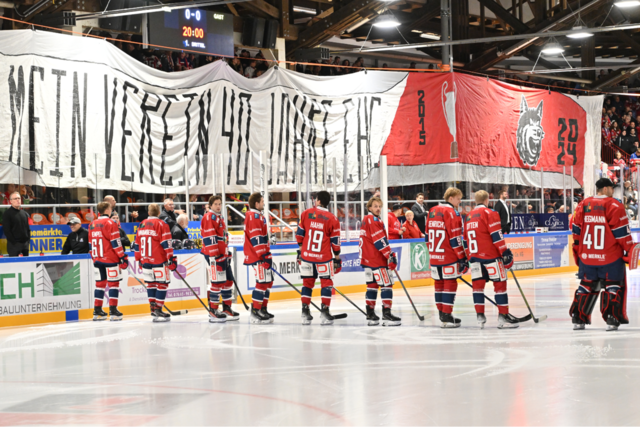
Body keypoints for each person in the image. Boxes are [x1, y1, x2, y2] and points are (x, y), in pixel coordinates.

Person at [570, 178, 639, 331]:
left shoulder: (583, 204)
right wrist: (630, 249)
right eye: (612, 188)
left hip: (587, 257)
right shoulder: (614, 205)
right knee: (613, 286)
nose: (613, 191)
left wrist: (578, 249)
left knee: (586, 285)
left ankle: (578, 318)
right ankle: (611, 318)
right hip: (610, 256)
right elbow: (621, 234)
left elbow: (575, 228)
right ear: (606, 189)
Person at [464, 191, 518, 329]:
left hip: (475, 258)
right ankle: (503, 317)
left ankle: (480, 318)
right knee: (500, 286)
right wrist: (505, 252)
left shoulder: (468, 216)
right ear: (487, 200)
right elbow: (496, 235)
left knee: (477, 289)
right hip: (491, 257)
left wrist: (468, 256)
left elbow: (465, 241)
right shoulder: (490, 213)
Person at [296, 190, 342, 325]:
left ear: (318, 201)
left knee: (307, 284)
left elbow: (299, 235)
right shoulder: (333, 219)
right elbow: (335, 241)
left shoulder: (305, 214)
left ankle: (305, 312)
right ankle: (325, 312)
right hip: (324, 257)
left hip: (307, 256)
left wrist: (301, 250)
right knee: (326, 283)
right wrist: (337, 257)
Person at [425, 187, 468, 328]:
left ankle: (442, 313)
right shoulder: (452, 212)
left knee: (439, 283)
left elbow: (426, 237)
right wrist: (462, 257)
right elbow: (455, 238)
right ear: (451, 198)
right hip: (448, 255)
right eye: (458, 198)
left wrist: (432, 253)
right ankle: (447, 314)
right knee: (450, 283)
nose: (459, 201)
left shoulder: (432, 210)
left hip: (434, 255)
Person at [359, 197, 401, 326]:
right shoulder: (373, 219)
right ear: (370, 207)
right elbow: (379, 241)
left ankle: (370, 314)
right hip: (376, 259)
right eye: (375, 206)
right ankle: (386, 314)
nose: (378, 208)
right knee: (386, 285)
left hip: (367, 259)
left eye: (379, 206)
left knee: (372, 286)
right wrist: (390, 255)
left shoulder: (366, 219)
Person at [132, 203, 177, 322]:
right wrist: (171, 258)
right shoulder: (162, 224)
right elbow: (166, 243)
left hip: (145, 259)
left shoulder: (141, 224)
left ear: (148, 213)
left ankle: (153, 308)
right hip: (159, 260)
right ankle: (158, 309)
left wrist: (138, 259)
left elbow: (136, 244)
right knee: (162, 284)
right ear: (158, 213)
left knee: (151, 284)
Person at [201, 195, 238, 322]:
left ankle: (226, 308)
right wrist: (215, 255)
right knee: (217, 282)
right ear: (210, 205)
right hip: (214, 255)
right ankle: (213, 310)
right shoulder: (209, 217)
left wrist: (226, 253)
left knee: (228, 280)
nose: (218, 206)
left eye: (220, 203)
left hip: (222, 254)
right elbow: (209, 236)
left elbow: (223, 237)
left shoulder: (219, 217)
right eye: (216, 204)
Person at [89, 201, 128, 321]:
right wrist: (122, 256)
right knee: (113, 285)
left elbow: (90, 244)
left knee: (99, 285)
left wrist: (94, 258)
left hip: (97, 258)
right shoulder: (111, 223)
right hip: (110, 258)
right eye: (110, 208)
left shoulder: (92, 224)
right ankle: (113, 311)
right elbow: (116, 242)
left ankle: (97, 311)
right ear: (107, 210)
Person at [243, 192, 274, 324]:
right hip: (258, 256)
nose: (264, 203)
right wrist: (263, 254)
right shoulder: (254, 216)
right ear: (256, 203)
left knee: (267, 282)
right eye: (262, 201)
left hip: (262, 254)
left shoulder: (258, 216)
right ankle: (255, 311)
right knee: (261, 283)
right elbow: (256, 238)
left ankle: (262, 308)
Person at [3, 192, 30, 256]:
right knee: (14, 266)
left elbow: (27, 228)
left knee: (26, 265)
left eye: (19, 198)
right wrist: (14, 243)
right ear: (11, 201)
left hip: (25, 246)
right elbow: (7, 231)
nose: (18, 200)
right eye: (15, 198)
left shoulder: (24, 213)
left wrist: (27, 241)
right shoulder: (7, 214)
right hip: (14, 246)